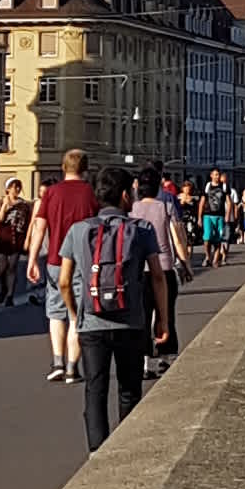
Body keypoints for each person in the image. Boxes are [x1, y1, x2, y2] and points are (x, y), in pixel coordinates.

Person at [63, 165, 164, 451]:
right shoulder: (142, 230)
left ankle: (97, 449)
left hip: (92, 323)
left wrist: (75, 315)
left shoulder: (79, 230)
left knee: (95, 389)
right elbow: (157, 276)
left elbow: (64, 282)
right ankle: (126, 449)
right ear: (123, 196)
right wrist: (163, 320)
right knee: (129, 389)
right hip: (131, 321)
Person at [28, 145, 97, 385]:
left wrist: (33, 258)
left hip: (55, 260)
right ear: (85, 169)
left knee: (55, 313)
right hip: (82, 260)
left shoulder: (52, 193)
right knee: (77, 313)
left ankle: (57, 361)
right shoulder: (90, 193)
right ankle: (71, 368)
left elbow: (40, 226)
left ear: (63, 167)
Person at [129, 167, 185, 377]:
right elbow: (177, 238)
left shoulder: (132, 209)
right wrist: (185, 262)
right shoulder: (165, 207)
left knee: (142, 315)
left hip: (139, 269)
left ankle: (145, 362)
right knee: (166, 312)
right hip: (164, 265)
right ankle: (166, 356)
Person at [0, 182, 30, 307]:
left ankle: (10, 296)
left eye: (19, 187)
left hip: (17, 236)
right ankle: (3, 288)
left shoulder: (23, 204)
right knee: (2, 267)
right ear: (8, 189)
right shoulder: (0, 202)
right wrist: (5, 206)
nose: (17, 189)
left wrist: (27, 239)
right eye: (14, 187)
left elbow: (27, 222)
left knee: (12, 267)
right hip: (3, 235)